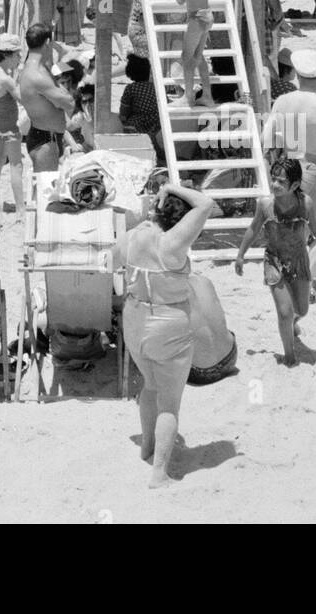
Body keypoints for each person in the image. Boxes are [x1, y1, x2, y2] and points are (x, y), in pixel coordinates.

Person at [114, 180, 220, 486]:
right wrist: (173, 186)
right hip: (168, 322)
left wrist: (158, 201)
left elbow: (112, 259)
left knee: (149, 385)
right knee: (170, 403)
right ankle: (159, 473)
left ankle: (147, 448)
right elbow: (205, 203)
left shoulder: (135, 236)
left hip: (134, 318)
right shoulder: (173, 244)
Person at [235, 157, 316, 366]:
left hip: (299, 260)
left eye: (281, 182)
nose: (274, 185)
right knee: (284, 312)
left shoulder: (305, 203)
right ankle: (289, 356)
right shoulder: (265, 205)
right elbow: (253, 228)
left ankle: (292, 323)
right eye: (273, 179)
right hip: (274, 261)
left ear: (294, 185)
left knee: (301, 310)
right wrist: (240, 255)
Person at [262, 48, 316, 274]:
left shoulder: (283, 101)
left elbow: (266, 138)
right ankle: (306, 274)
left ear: (298, 75)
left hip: (290, 164)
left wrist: (273, 162)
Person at [163, 0, 215, 108]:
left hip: (197, 18)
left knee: (187, 57)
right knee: (198, 58)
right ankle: (207, 96)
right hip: (207, 16)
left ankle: (188, 97)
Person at [19, 22, 73, 172]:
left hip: (40, 134)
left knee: (41, 188)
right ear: (48, 42)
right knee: (46, 191)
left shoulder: (31, 68)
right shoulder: (38, 75)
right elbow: (68, 103)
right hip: (46, 141)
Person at [0, 33, 26, 218]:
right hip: (9, 128)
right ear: (8, 55)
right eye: (17, 55)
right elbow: (21, 98)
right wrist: (21, 76)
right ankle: (20, 208)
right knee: (16, 166)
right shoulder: (7, 80)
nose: (19, 58)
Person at [119, 52, 165, 166]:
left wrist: (123, 118)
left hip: (138, 123)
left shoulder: (131, 88)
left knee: (126, 124)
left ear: (130, 72)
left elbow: (124, 110)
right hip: (157, 122)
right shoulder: (155, 87)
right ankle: (156, 150)